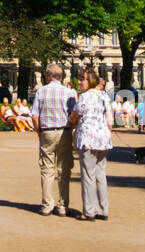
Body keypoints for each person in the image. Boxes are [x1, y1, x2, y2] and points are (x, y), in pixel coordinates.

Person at [32, 63, 77, 216]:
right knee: (64, 170)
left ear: (49, 76)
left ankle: (47, 205)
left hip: (47, 132)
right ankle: (63, 205)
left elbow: (34, 116)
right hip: (64, 131)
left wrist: (39, 132)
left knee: (46, 169)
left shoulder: (41, 92)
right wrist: (70, 128)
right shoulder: (68, 93)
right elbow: (74, 114)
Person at [71, 68, 113, 220]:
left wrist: (71, 120)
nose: (80, 82)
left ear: (90, 81)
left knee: (88, 175)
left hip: (88, 138)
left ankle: (89, 211)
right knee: (100, 174)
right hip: (103, 139)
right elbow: (110, 119)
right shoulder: (104, 96)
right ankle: (103, 209)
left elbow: (75, 115)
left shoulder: (85, 96)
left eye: (82, 79)